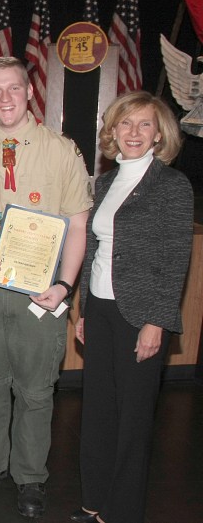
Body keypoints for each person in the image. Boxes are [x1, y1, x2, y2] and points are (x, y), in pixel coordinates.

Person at [0, 57, 92, 518]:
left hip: (41, 294)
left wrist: (65, 285)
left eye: (14, 88)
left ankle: (30, 476)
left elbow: (78, 225)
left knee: (37, 390)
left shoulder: (61, 150)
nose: (5, 98)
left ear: (28, 93)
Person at [72, 91, 192, 523]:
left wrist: (157, 321)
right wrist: (84, 308)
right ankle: (95, 499)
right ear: (113, 131)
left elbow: (177, 258)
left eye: (144, 124)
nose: (134, 132)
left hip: (140, 314)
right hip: (100, 310)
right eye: (126, 124)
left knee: (134, 420)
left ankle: (122, 512)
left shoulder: (172, 186)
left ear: (160, 134)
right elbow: (95, 251)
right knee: (99, 411)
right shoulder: (104, 183)